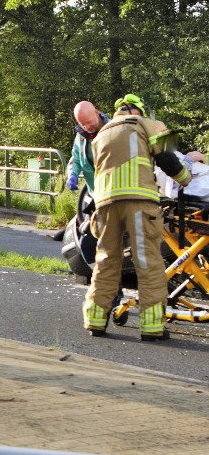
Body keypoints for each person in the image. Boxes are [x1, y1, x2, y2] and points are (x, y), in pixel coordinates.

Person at [84, 94, 191, 340]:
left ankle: (95, 320)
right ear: (140, 111)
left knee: (106, 261)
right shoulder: (147, 124)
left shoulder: (101, 134)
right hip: (139, 202)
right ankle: (152, 327)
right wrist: (186, 180)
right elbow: (168, 159)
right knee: (147, 262)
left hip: (106, 205)